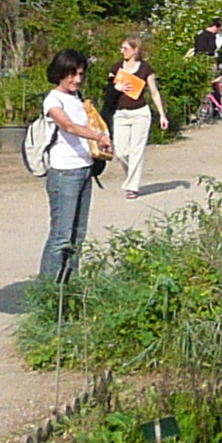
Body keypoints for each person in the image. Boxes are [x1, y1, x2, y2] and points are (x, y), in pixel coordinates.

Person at [38, 49, 111, 283]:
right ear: (60, 73)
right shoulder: (53, 99)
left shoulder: (78, 98)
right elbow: (67, 126)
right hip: (64, 172)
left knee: (78, 236)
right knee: (61, 236)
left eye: (80, 74)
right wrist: (97, 136)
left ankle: (70, 285)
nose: (77, 80)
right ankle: (47, 291)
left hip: (84, 169)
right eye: (72, 74)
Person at [104, 35, 171, 199]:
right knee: (120, 152)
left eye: (125, 48)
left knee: (136, 151)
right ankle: (131, 176)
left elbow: (154, 92)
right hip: (120, 114)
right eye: (121, 48)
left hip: (140, 113)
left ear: (136, 50)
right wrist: (116, 87)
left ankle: (132, 187)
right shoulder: (117, 67)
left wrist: (162, 115)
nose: (122, 51)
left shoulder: (145, 69)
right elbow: (107, 91)